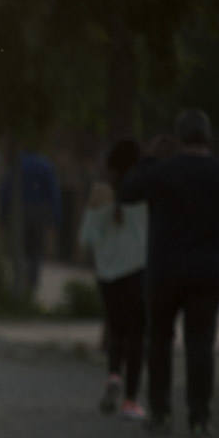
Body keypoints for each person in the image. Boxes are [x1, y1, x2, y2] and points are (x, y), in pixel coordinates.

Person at [120, 110, 219, 438]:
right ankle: (199, 417)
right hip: (209, 272)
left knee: (160, 342)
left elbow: (128, 192)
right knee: (201, 342)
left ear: (179, 138)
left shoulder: (164, 172)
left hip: (165, 271)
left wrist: (149, 158)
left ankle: (161, 412)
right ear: (208, 138)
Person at [79, 139, 148, 420]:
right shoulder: (145, 191)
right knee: (137, 335)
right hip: (137, 270)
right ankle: (131, 400)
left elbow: (87, 237)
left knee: (116, 328)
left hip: (108, 274)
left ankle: (113, 376)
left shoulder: (100, 193)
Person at [0, 148, 61, 296]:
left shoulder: (17, 164)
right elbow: (53, 193)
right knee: (35, 250)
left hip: (19, 211)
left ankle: (19, 283)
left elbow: (5, 190)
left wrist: (2, 214)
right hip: (39, 212)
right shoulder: (45, 165)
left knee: (20, 248)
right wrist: (56, 217)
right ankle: (31, 285)